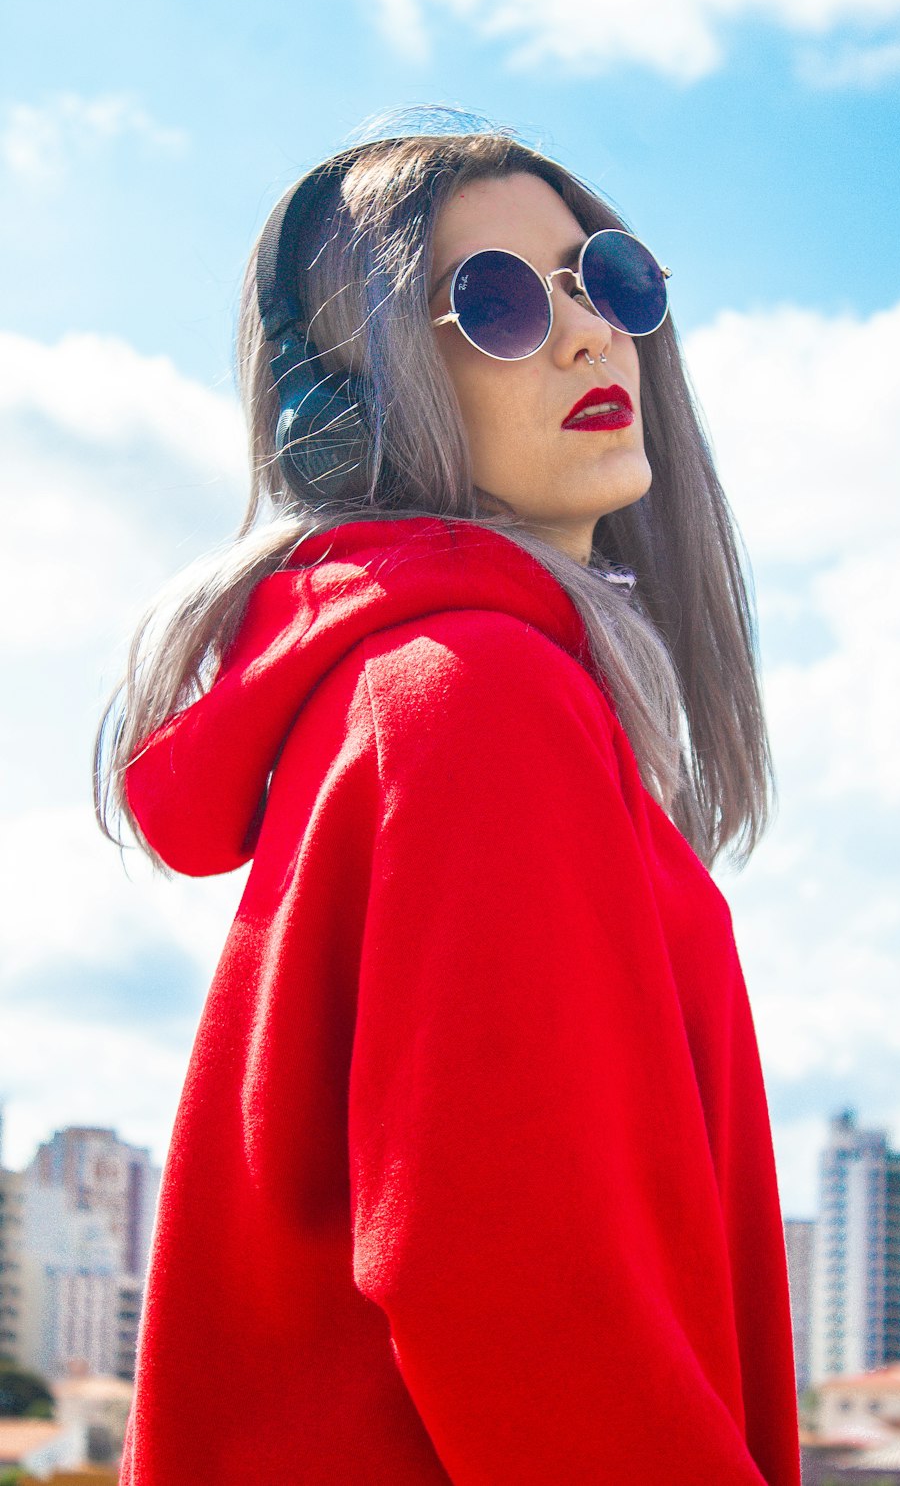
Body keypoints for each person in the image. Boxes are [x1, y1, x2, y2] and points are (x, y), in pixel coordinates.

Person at [94, 109, 802, 1485]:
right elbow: (521, 1291)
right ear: (362, 394)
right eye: (494, 302)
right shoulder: (470, 699)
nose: (596, 332)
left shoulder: (441, 695)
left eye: (610, 278)